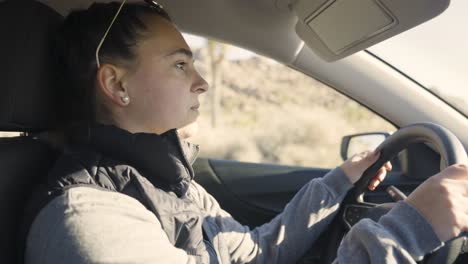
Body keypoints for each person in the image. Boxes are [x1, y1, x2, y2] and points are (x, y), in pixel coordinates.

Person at [23, 1, 468, 264]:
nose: (202, 81)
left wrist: (338, 184)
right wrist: (408, 230)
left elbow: (252, 252)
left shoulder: (166, 183)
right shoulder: (88, 218)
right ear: (117, 85)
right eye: (180, 64)